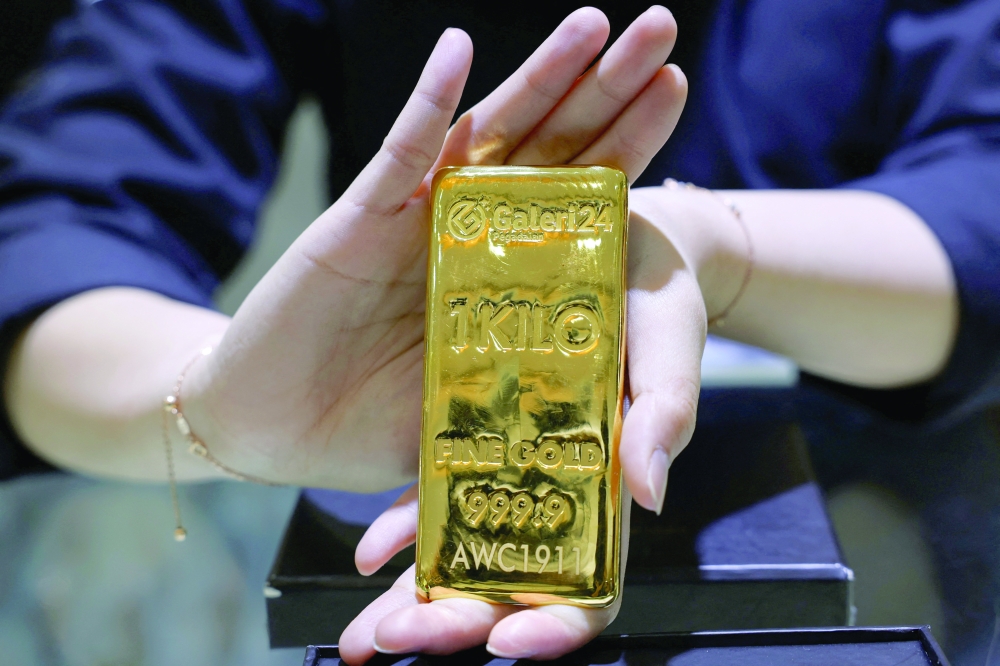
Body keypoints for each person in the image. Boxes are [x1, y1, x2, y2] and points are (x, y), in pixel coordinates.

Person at [0, 0, 997, 663]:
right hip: (415, 451)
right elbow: (60, 216)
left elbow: (981, 183)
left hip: (881, 513)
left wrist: (717, 248)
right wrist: (213, 402)